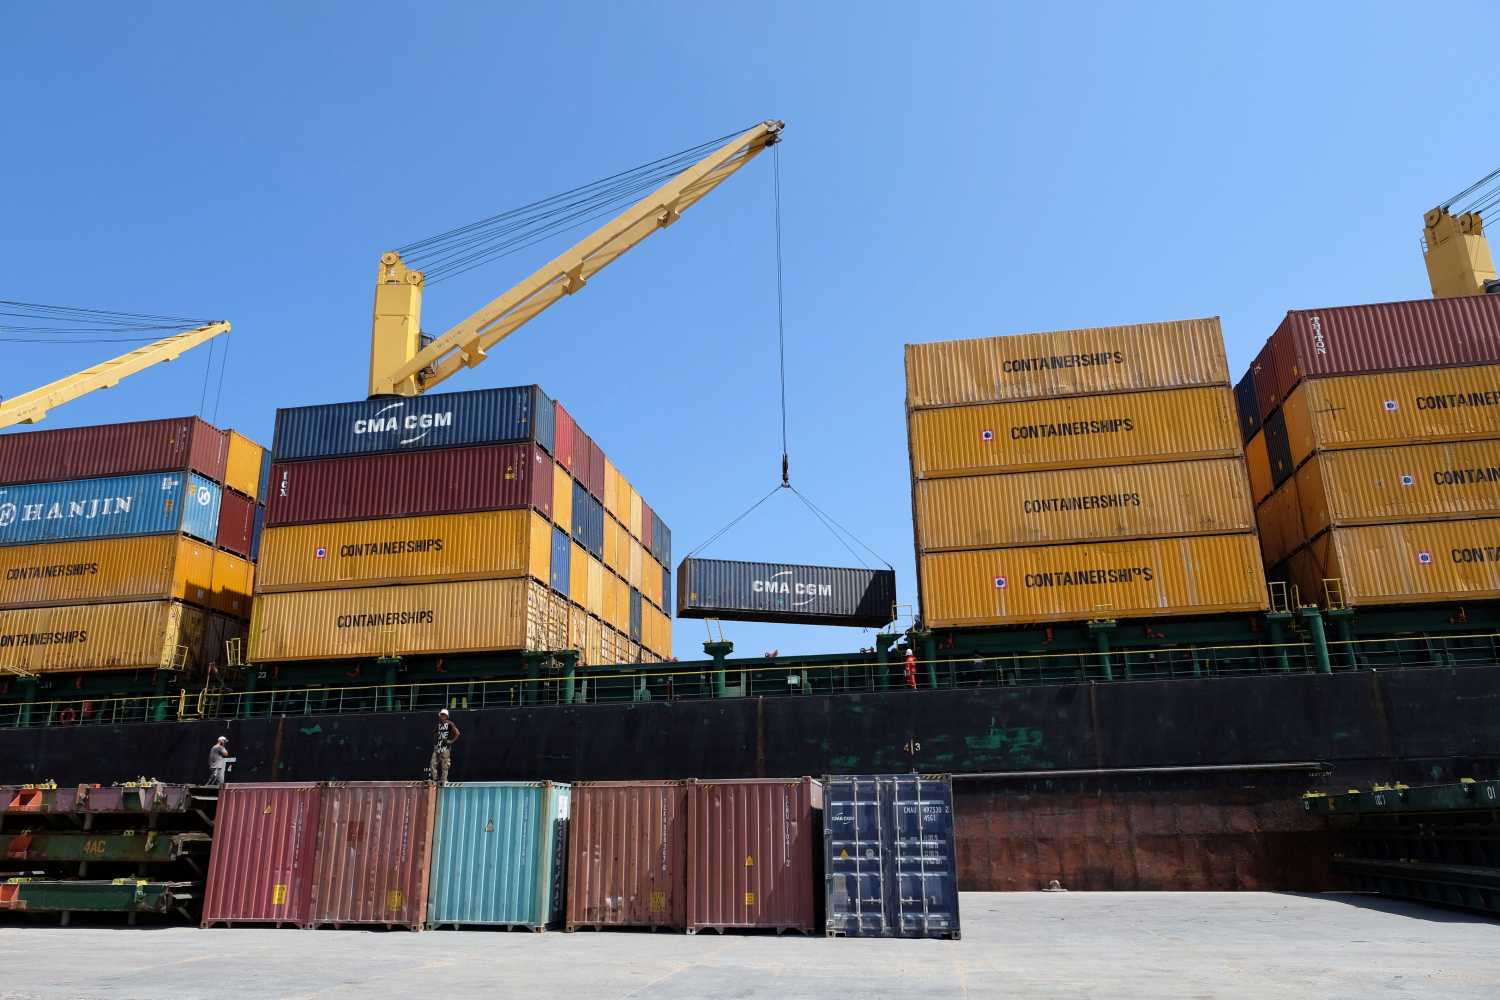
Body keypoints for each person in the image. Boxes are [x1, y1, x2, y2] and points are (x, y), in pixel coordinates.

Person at [428, 709, 461, 783]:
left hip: (445, 748)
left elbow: (457, 733)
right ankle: (435, 779)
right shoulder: (438, 724)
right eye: (441, 714)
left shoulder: (450, 724)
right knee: (432, 763)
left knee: (445, 764)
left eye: (443, 715)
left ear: (447, 716)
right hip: (437, 747)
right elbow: (435, 733)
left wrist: (451, 741)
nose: (442, 716)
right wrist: (435, 742)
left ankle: (444, 780)